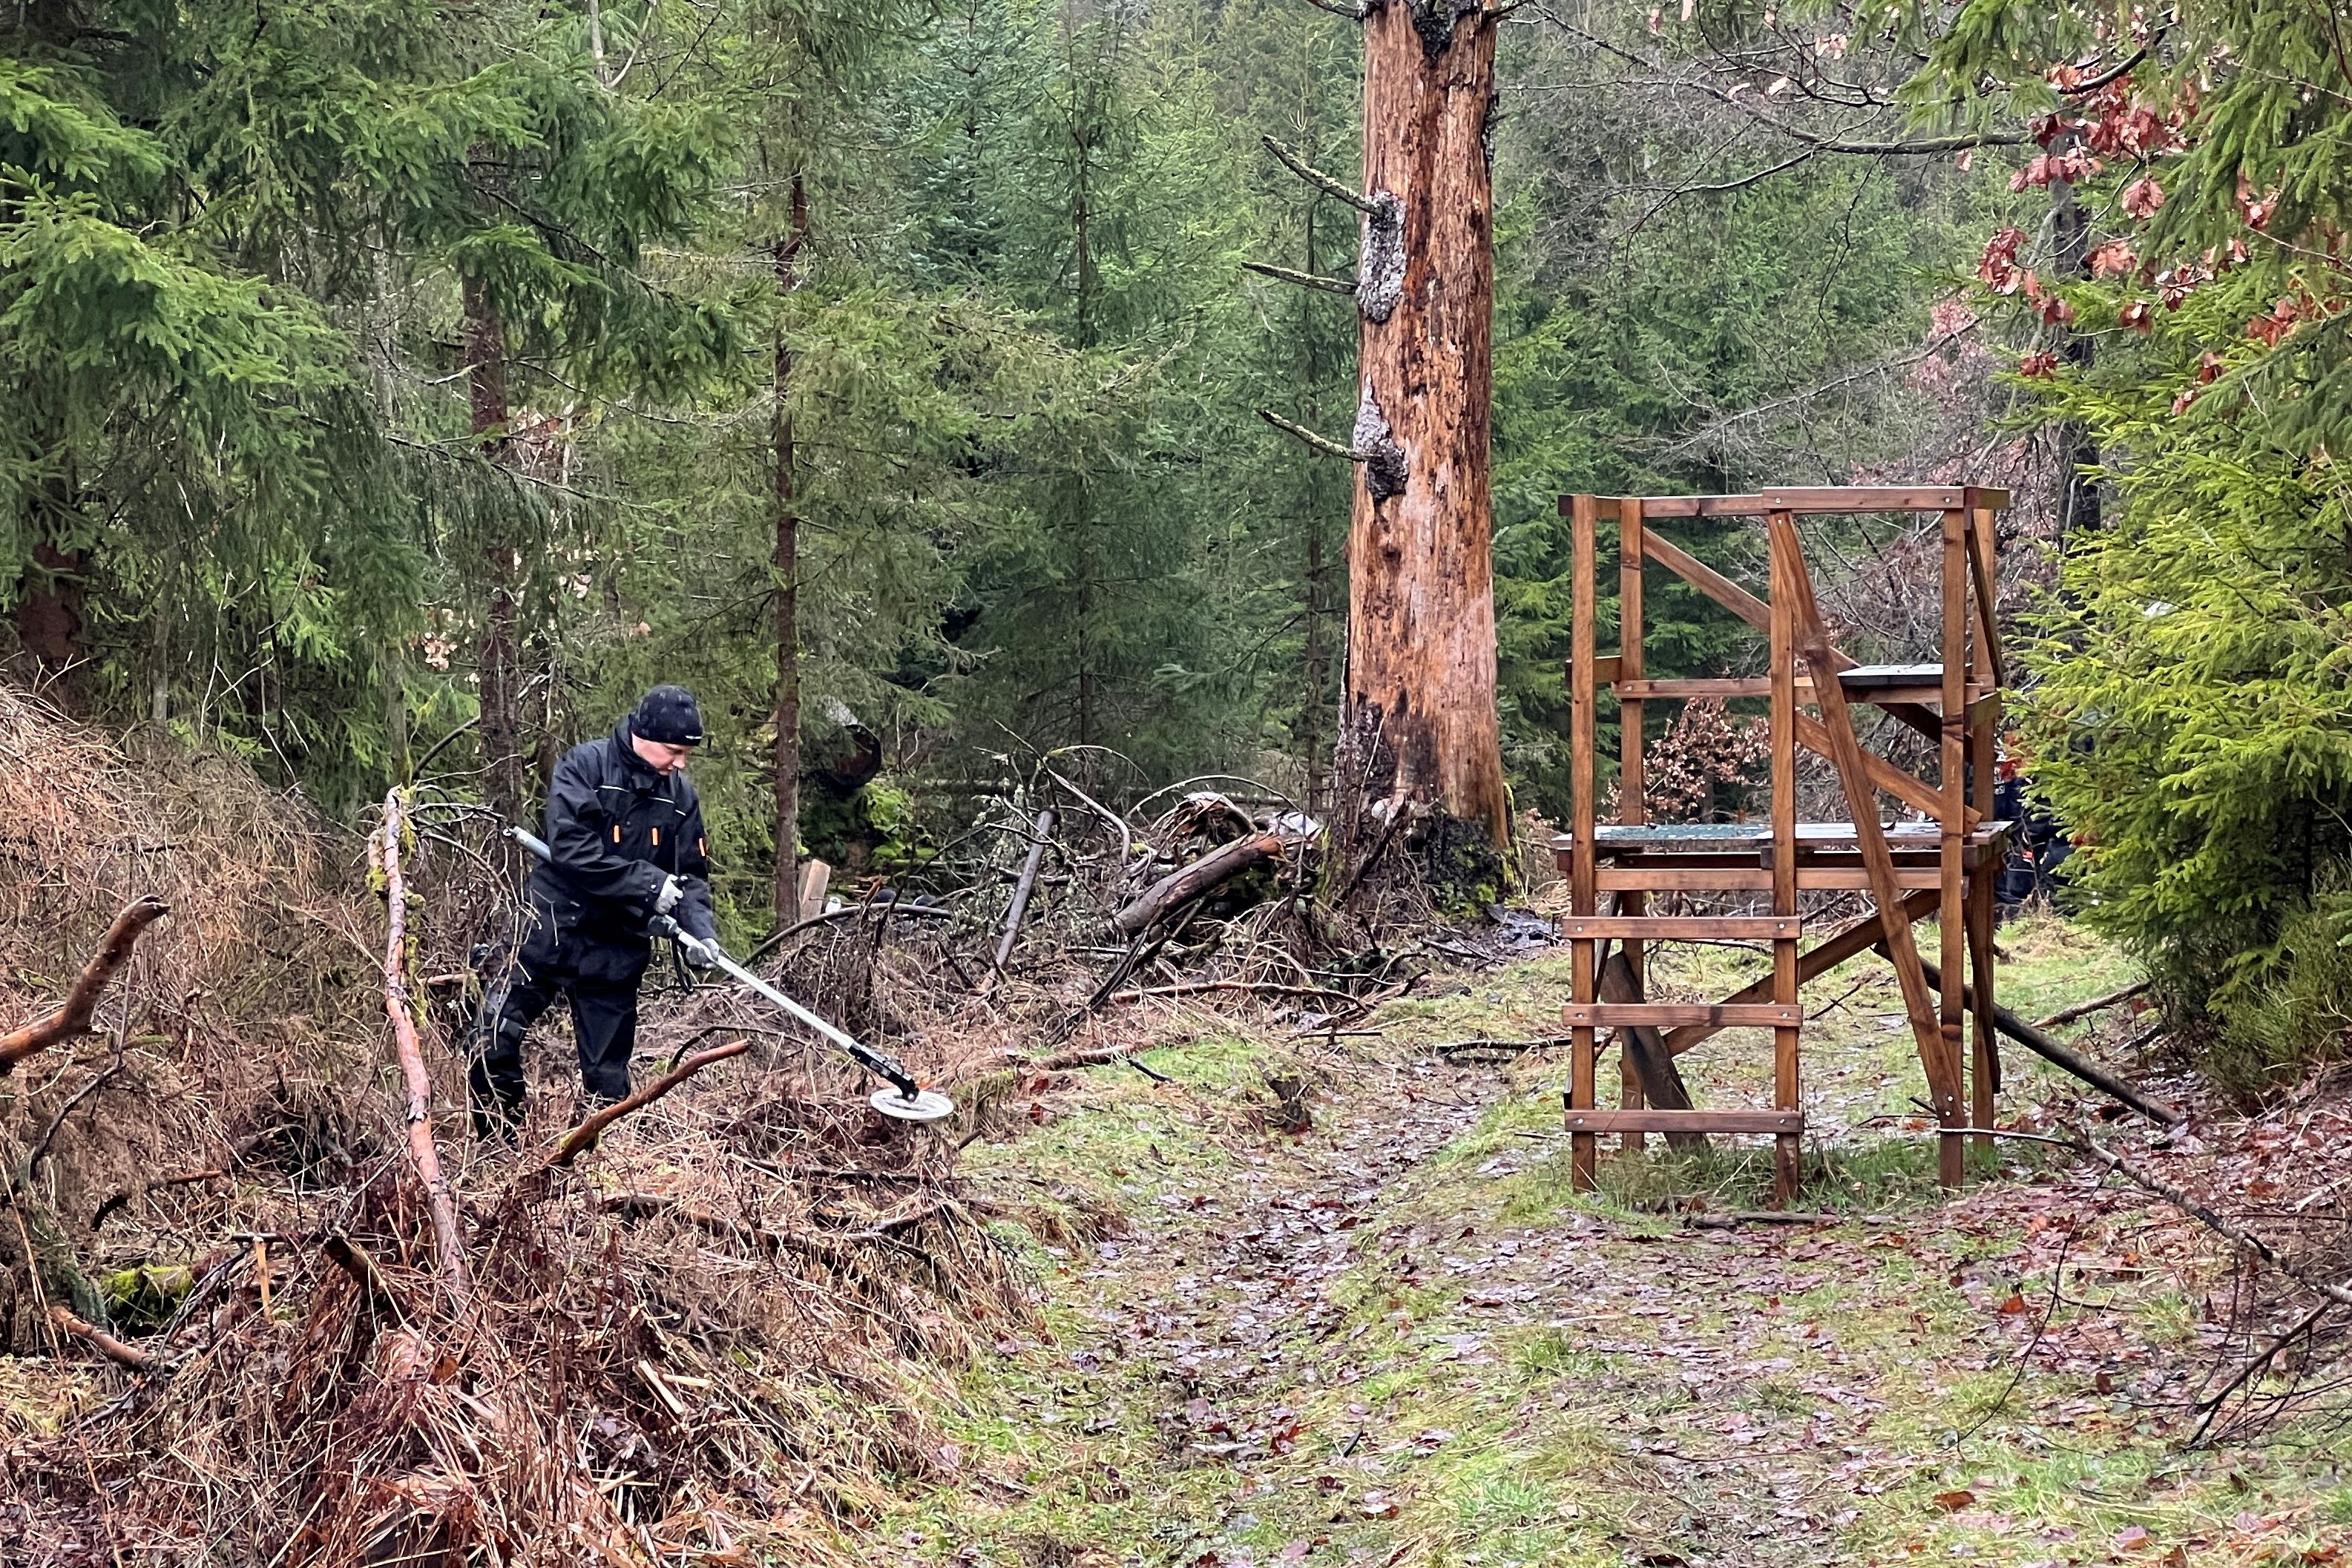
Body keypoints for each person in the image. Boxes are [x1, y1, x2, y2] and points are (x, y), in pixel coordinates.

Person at [466, 685, 723, 1139]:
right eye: (673, 751)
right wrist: (648, 882)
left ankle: (601, 1169)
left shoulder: (680, 797)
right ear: (642, 735)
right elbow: (571, 849)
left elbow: (692, 877)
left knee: (608, 1080)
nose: (680, 763)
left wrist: (701, 933)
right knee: (492, 1037)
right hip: (546, 930)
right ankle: (501, 1148)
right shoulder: (584, 767)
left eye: (686, 754)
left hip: (615, 949)